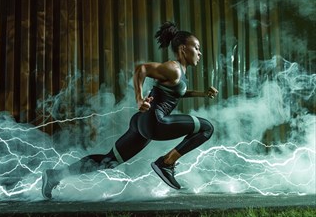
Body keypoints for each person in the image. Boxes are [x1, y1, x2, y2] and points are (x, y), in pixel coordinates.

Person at [42, 21, 218, 199]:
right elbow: (141, 69)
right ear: (182, 49)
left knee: (108, 161)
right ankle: (166, 162)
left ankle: (55, 176)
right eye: (196, 48)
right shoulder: (173, 68)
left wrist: (202, 94)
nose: (200, 53)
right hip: (154, 122)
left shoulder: (178, 72)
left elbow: (176, 92)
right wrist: (139, 99)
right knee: (206, 128)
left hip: (143, 123)